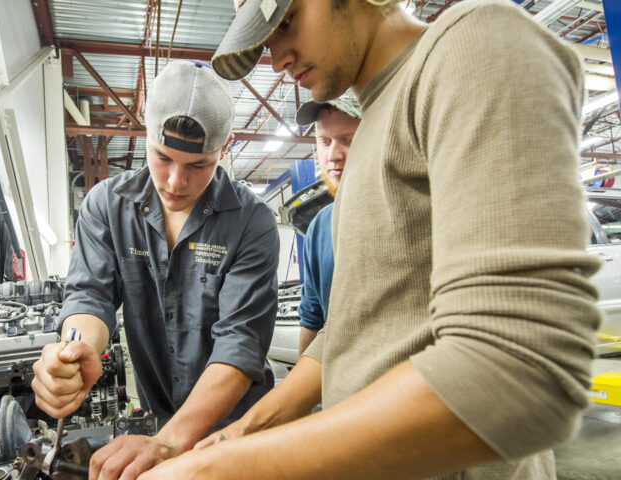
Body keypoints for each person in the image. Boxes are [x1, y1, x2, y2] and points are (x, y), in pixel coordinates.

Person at [138, 0, 602, 478]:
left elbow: (517, 372)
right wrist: (242, 432)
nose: (277, 59)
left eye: (288, 21)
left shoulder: (472, 47)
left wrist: (227, 468)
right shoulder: (368, 142)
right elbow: (352, 332)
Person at [31, 60, 279, 480]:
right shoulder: (107, 206)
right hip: (161, 420)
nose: (176, 181)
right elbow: (90, 296)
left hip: (240, 429)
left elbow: (240, 343)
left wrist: (172, 440)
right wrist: (79, 350)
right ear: (143, 135)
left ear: (227, 146)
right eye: (162, 157)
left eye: (198, 165)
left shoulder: (251, 222)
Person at [294, 94, 361, 355]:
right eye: (324, 141)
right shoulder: (320, 225)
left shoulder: (407, 212)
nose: (333, 155)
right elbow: (313, 318)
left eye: (348, 140)